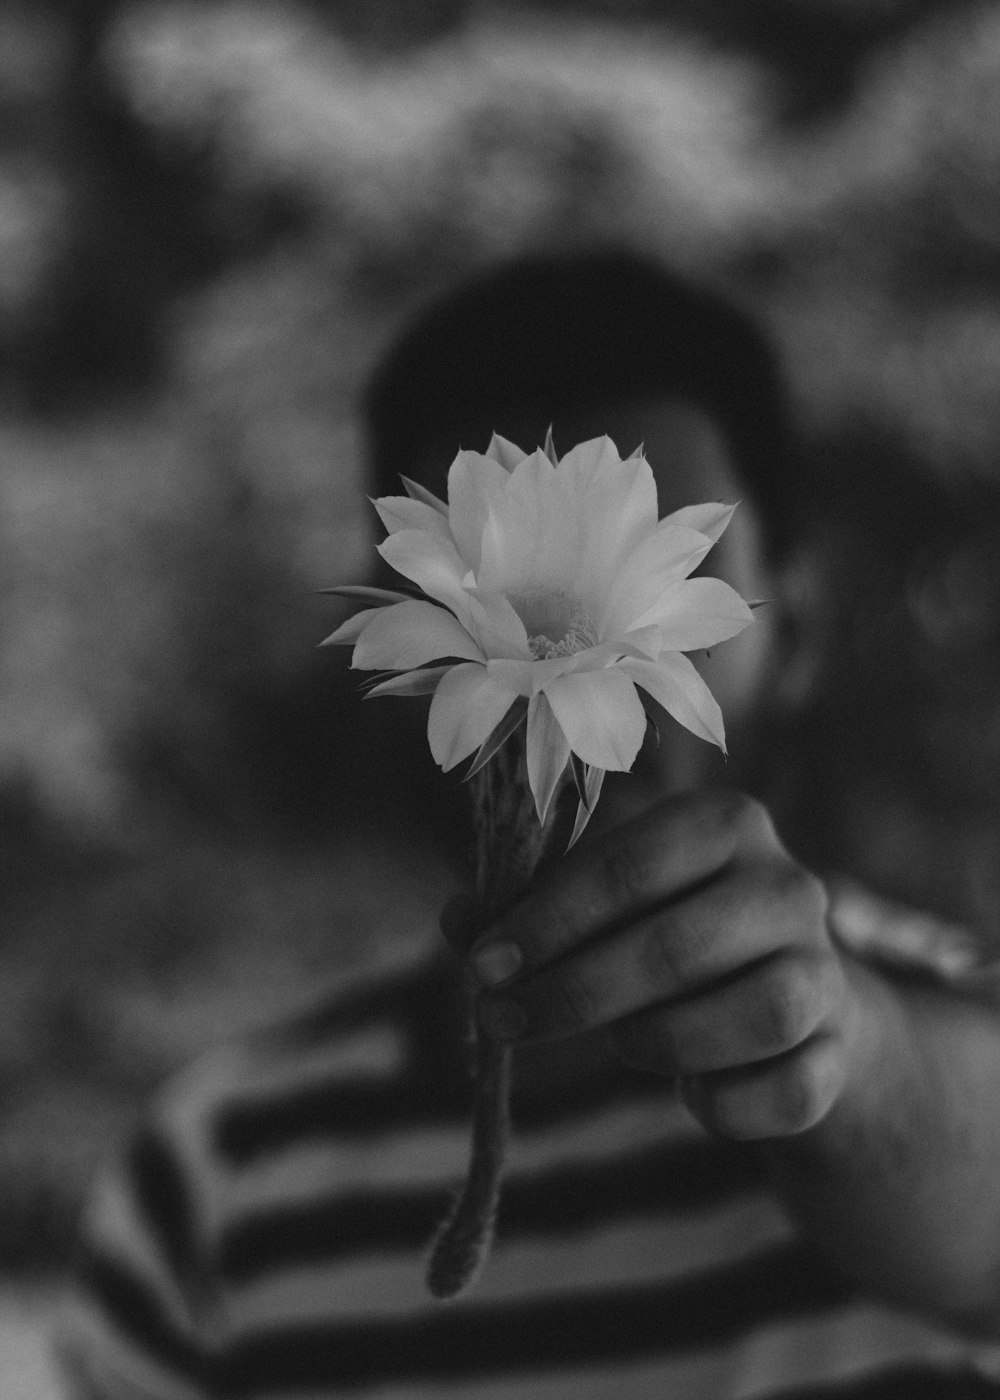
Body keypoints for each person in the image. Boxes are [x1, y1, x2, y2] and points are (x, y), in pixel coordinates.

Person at [57, 250, 1000, 1399]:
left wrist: (862, 1059)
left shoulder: (946, 1019)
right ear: (414, 609)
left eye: (694, 563)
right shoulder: (211, 1167)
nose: (563, 640)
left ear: (791, 628)